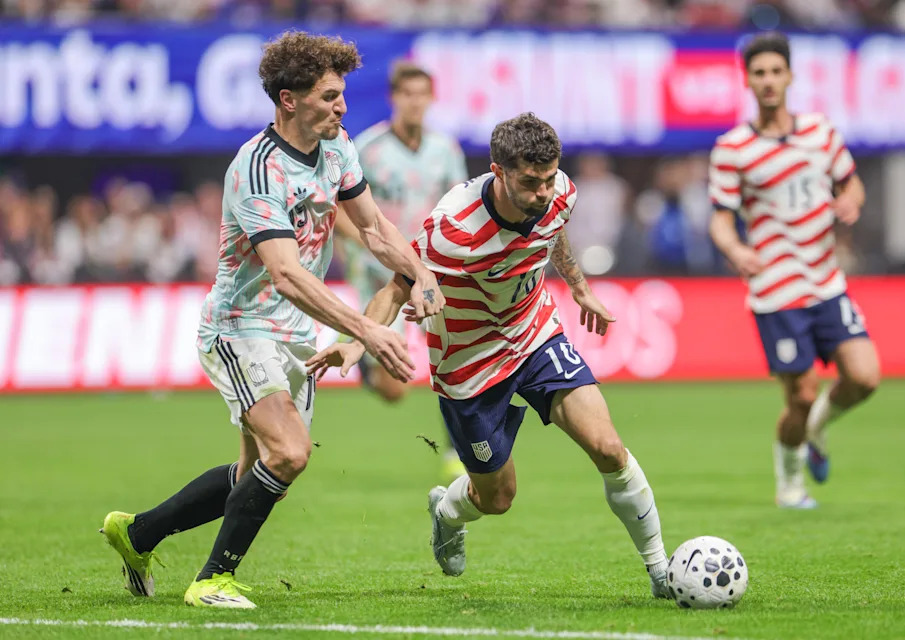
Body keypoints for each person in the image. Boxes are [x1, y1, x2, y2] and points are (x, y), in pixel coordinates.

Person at [99, 31, 444, 609]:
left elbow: (377, 230)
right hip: (241, 326)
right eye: (330, 95)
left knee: (256, 472)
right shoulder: (257, 169)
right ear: (289, 100)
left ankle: (137, 534)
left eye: (342, 95)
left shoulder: (338, 149)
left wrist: (421, 272)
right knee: (289, 454)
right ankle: (212, 580)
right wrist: (366, 330)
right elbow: (284, 273)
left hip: (294, 334)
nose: (341, 106)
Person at [312, 113, 670, 597]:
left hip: (534, 334)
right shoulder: (452, 228)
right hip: (469, 364)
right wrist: (359, 342)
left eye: (548, 179)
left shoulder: (559, 190)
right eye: (530, 182)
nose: (543, 193)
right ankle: (447, 512)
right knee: (497, 498)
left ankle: (660, 572)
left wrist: (580, 288)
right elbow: (398, 288)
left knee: (608, 448)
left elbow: (554, 230)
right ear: (498, 172)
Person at [707, 32, 880, 509]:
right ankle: (789, 486)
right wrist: (736, 249)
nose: (767, 81)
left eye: (775, 72)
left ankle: (817, 432)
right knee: (800, 395)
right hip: (775, 289)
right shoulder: (733, 148)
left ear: (790, 77)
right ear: (748, 81)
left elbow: (852, 185)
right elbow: (720, 217)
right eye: (759, 73)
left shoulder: (820, 133)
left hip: (825, 280)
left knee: (865, 377)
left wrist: (850, 200)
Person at [336, 60, 468, 479]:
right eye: (406, 94)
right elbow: (336, 206)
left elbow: (460, 207)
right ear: (395, 98)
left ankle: (456, 449)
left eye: (421, 94)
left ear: (431, 99)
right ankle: (363, 360)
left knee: (455, 361)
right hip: (378, 276)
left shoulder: (445, 151)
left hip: (431, 272)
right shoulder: (368, 147)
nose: (414, 102)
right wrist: (366, 243)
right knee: (395, 389)